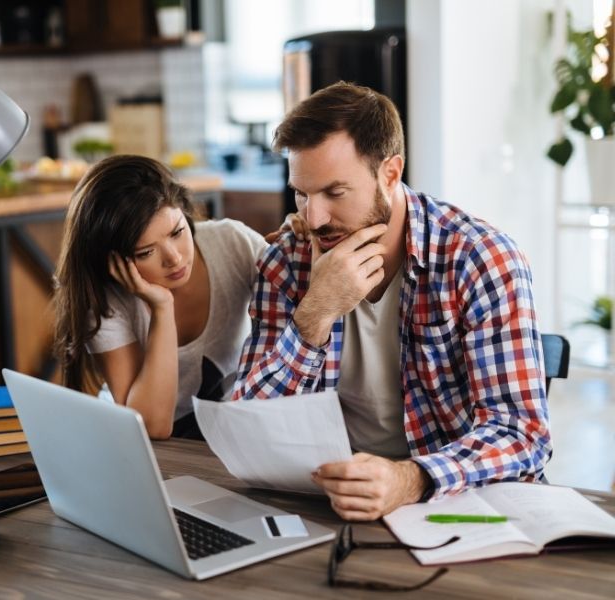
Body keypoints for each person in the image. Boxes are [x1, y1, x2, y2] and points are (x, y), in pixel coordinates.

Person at [232, 81, 551, 521]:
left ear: (390, 173)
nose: (314, 218)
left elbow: (520, 434)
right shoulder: (286, 261)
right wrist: (315, 313)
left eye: (334, 192)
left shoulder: (480, 259)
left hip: (455, 500)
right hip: (331, 501)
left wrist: (409, 479)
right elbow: (247, 428)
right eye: (302, 194)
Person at [54, 155, 267, 439]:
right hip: (144, 443)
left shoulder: (232, 243)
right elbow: (151, 426)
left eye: (177, 232)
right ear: (112, 260)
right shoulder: (105, 302)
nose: (174, 258)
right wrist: (162, 307)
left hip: (227, 432)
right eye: (146, 252)